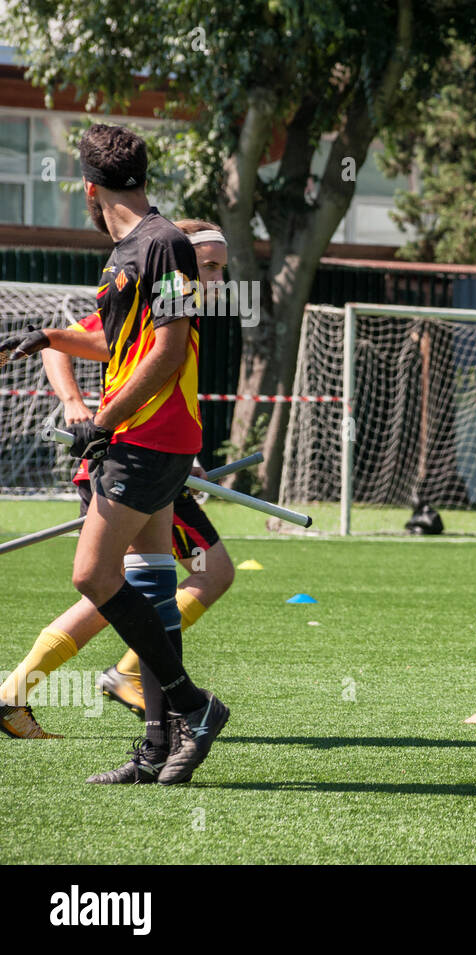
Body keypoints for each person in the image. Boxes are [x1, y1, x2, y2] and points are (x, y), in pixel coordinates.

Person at [0, 125, 228, 784]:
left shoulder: (162, 246)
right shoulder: (133, 248)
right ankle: (159, 743)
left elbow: (167, 348)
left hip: (147, 440)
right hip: (143, 437)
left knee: (93, 577)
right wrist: (46, 335)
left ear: (90, 190)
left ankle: (194, 706)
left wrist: (102, 421)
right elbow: (124, 344)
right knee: (155, 585)